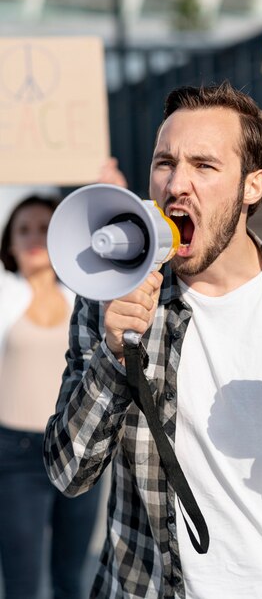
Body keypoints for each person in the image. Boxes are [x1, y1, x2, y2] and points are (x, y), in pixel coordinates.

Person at [43, 81, 262, 599]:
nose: (176, 183)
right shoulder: (110, 297)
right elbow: (68, 473)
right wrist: (112, 359)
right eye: (165, 162)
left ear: (252, 186)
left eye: (204, 166)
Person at [0, 159, 126, 599]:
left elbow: (122, 265)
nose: (35, 238)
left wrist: (110, 200)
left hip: (74, 447)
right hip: (14, 456)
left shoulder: (83, 296)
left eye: (44, 228)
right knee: (21, 582)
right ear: (9, 244)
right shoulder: (4, 295)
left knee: (71, 578)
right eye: (24, 230)